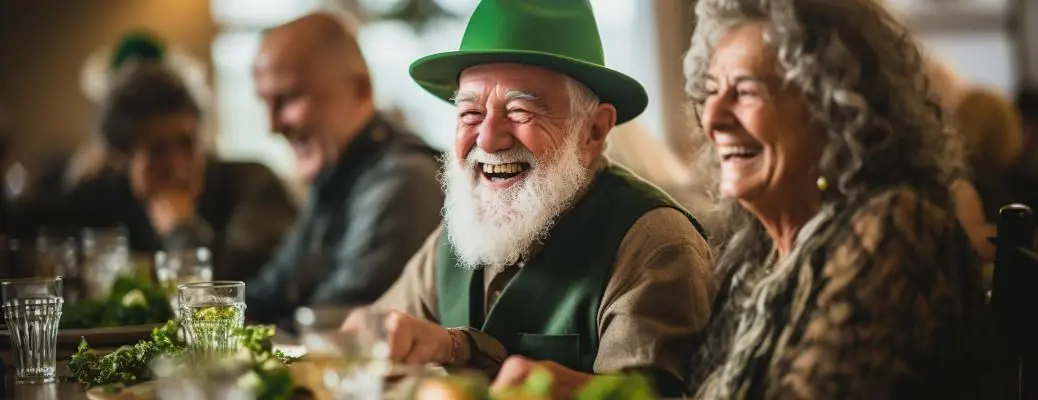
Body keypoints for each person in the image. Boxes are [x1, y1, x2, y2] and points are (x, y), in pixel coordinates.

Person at [343, 0, 715, 397]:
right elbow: (363, 345)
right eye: (469, 113)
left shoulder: (653, 242)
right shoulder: (462, 230)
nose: (487, 138)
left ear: (593, 130)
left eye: (520, 111)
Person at [674, 0, 991, 398]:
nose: (713, 118)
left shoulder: (895, 230)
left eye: (746, 91)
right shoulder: (757, 260)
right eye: (711, 91)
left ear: (832, 108)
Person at [246, 12, 444, 325]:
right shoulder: (335, 173)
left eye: (288, 98)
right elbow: (269, 293)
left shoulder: (404, 180)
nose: (272, 126)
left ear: (360, 89)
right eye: (265, 102)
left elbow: (336, 325)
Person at [29, 63, 297, 282]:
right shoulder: (106, 192)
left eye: (186, 144)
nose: (178, 165)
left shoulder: (254, 184)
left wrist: (181, 226)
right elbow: (31, 221)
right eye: (157, 150)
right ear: (124, 158)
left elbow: (240, 285)